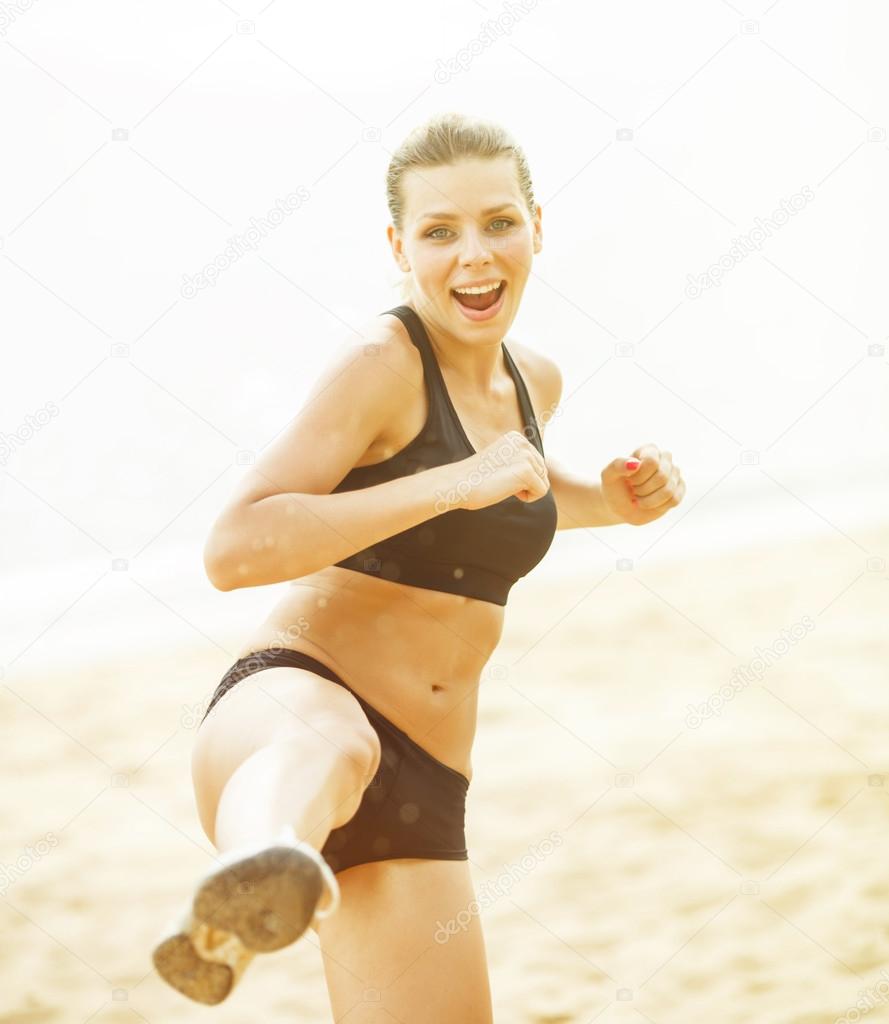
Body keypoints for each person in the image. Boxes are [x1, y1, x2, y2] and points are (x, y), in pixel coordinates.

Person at [151, 111, 685, 1021]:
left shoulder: (531, 382)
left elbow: (502, 497)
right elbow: (233, 548)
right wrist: (450, 485)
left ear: (536, 227)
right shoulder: (381, 364)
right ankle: (249, 881)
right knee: (336, 746)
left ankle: (263, 887)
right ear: (400, 247)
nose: (474, 256)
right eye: (440, 233)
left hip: (425, 787)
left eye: (497, 222)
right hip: (293, 702)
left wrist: (606, 497)